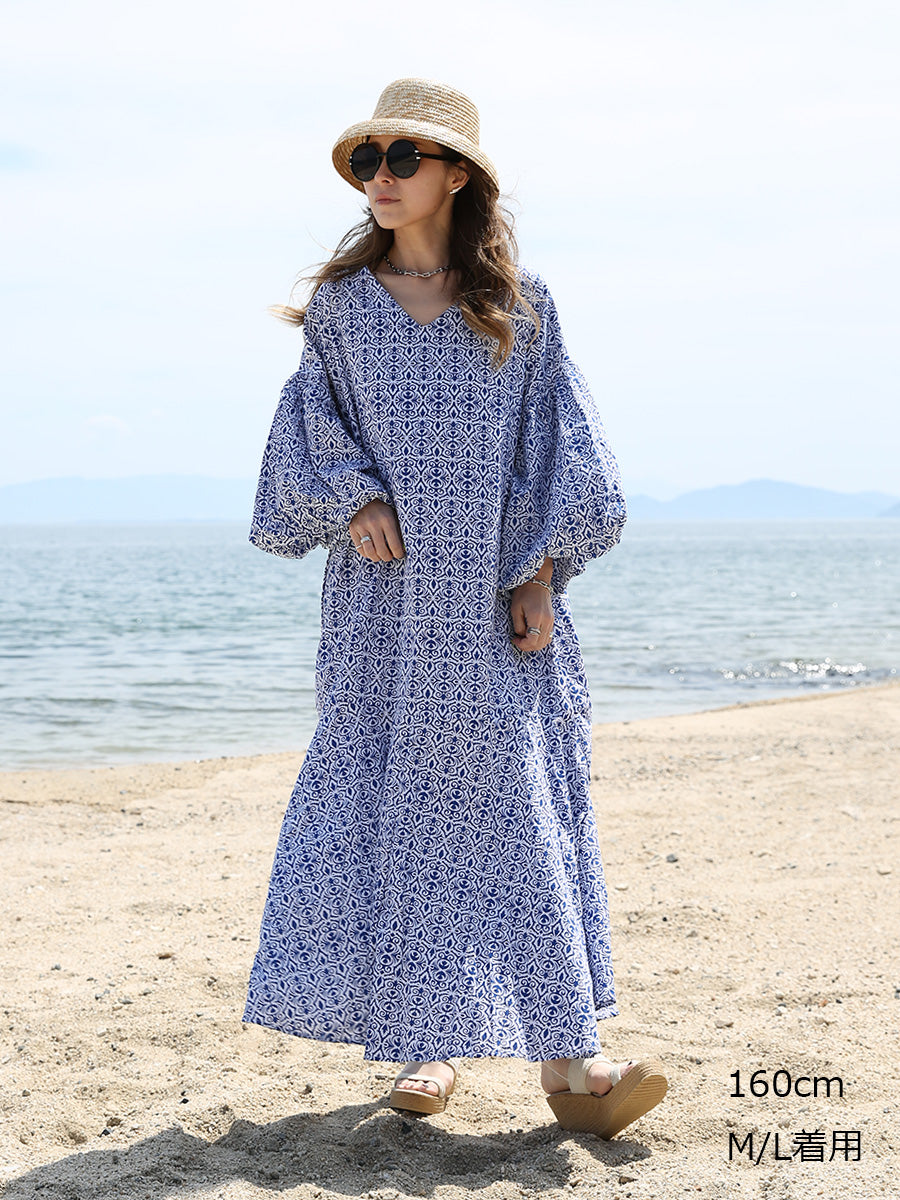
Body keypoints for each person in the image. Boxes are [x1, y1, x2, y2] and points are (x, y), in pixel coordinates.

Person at [243, 77, 667, 1140]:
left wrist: (540, 574)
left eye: (403, 159)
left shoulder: (521, 307)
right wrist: (355, 496)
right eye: (367, 162)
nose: (380, 179)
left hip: (491, 604)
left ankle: (570, 1058)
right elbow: (308, 432)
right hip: (384, 609)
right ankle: (425, 1046)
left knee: (517, 806)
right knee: (399, 807)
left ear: (458, 177)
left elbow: (561, 448)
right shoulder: (342, 311)